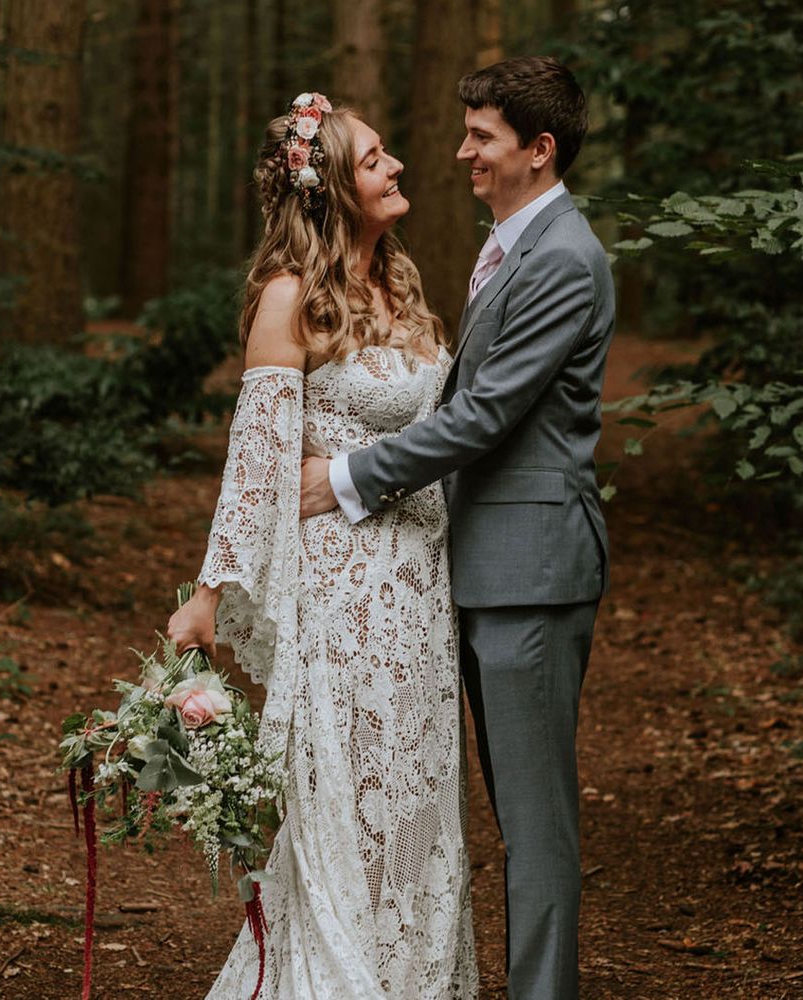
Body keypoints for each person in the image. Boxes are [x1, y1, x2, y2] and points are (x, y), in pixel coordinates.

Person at [300, 57, 615, 1000]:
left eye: (482, 136)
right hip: (480, 571)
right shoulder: (512, 244)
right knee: (509, 814)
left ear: (539, 147)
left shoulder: (562, 256)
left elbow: (482, 418)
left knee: (534, 822)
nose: (461, 151)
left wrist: (346, 477)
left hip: (533, 575)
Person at [167, 93, 478, 998]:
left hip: (423, 588)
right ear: (335, 184)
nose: (397, 167)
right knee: (350, 808)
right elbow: (257, 463)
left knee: (418, 806)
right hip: (342, 594)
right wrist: (210, 595)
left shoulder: (404, 285)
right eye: (376, 157)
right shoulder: (290, 297)